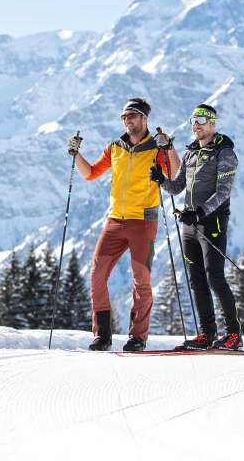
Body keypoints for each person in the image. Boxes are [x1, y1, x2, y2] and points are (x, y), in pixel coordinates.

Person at [67, 98, 180, 351]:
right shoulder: (115, 148)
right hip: (115, 220)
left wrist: (170, 148)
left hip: (143, 221)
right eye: (124, 117)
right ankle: (102, 336)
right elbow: (90, 173)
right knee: (97, 274)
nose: (127, 120)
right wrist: (76, 155)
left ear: (144, 119)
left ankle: (138, 337)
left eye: (132, 115)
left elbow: (174, 174)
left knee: (141, 280)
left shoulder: (156, 148)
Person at [150, 103, 242, 350]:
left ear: (212, 123)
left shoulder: (224, 152)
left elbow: (223, 192)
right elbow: (177, 187)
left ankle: (234, 334)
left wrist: (200, 213)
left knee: (215, 277)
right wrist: (161, 180)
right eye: (193, 120)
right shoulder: (191, 153)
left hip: (212, 222)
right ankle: (207, 333)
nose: (196, 125)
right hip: (189, 225)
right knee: (196, 280)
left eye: (202, 120)